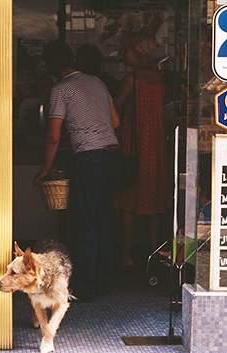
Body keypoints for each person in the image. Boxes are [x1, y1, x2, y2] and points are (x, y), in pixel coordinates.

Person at [34, 40, 121, 303]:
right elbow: (114, 122)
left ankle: (84, 288)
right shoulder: (97, 82)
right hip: (113, 156)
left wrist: (45, 169)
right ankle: (103, 283)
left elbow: (53, 136)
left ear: (51, 66)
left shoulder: (60, 89)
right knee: (104, 221)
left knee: (85, 225)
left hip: (89, 160)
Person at [112, 32, 168, 269]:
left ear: (138, 51)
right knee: (153, 201)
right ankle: (154, 253)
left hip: (134, 146)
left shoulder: (131, 79)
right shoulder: (159, 79)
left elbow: (112, 110)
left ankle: (126, 256)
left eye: (127, 49)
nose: (123, 53)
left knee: (128, 202)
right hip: (156, 145)